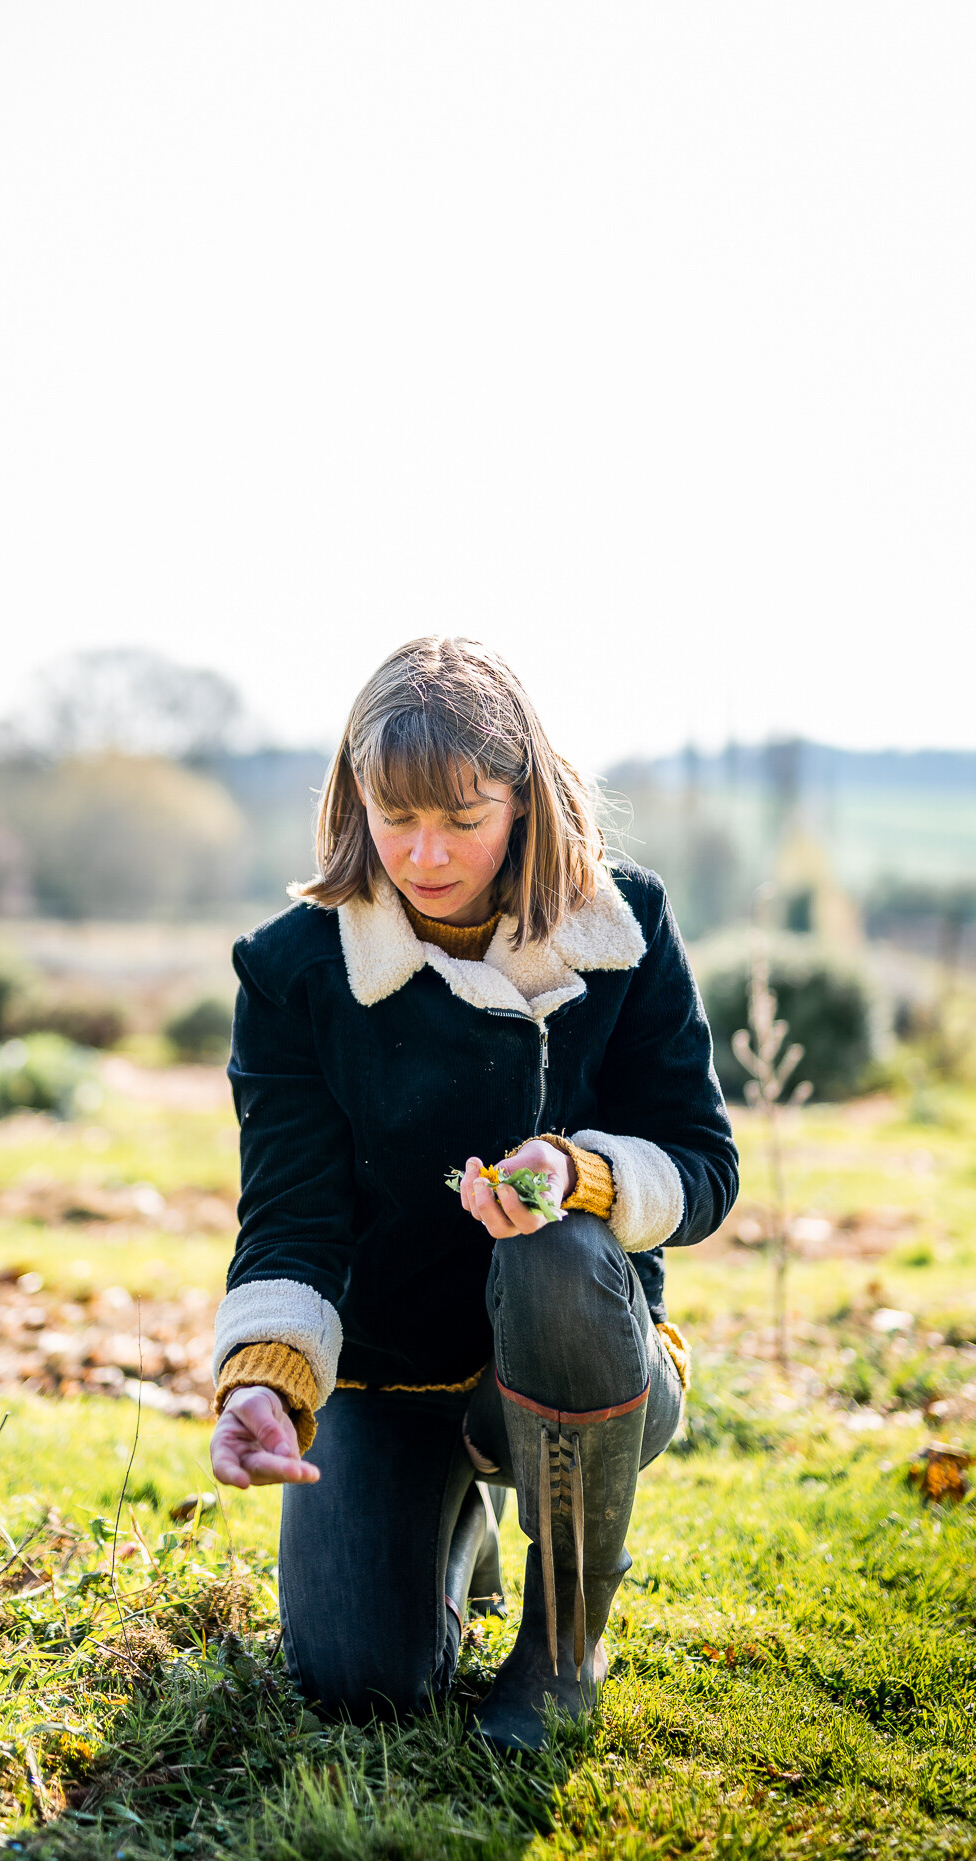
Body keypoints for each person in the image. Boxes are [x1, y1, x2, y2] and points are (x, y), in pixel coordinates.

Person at [208, 637, 738, 1749]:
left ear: (524, 798)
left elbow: (700, 1165)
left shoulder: (623, 931)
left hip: (582, 1355)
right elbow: (291, 1215)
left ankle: (562, 1637)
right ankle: (451, 1516)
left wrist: (585, 1175)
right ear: (354, 800)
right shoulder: (291, 972)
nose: (423, 853)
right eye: (393, 816)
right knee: (360, 1682)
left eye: (461, 816)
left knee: (552, 1248)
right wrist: (260, 1380)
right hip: (387, 1375)